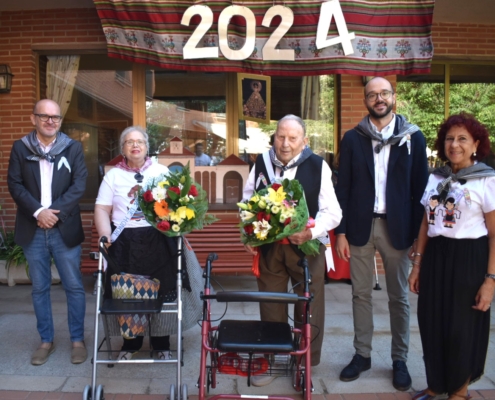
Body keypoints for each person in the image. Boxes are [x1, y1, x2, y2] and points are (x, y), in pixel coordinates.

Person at [334, 77, 428, 390]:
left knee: (398, 297)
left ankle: (399, 359)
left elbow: (420, 191)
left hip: (397, 227)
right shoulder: (352, 139)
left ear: (393, 97)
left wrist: (417, 235)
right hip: (361, 226)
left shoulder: (414, 138)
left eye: (384, 93)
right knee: (360, 293)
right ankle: (362, 355)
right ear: (365, 100)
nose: (379, 99)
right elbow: (342, 189)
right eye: (373, 94)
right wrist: (341, 232)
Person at [243, 114, 342, 386]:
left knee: (308, 306)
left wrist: (310, 231)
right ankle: (271, 359)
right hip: (270, 249)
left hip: (307, 248)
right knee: (271, 303)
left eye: (292, 138)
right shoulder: (261, 162)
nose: (285, 143)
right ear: (274, 137)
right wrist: (249, 232)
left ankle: (306, 363)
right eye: (280, 136)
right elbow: (247, 200)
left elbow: (333, 212)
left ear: (304, 141)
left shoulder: (318, 165)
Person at [408, 113, 495, 400]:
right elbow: (425, 223)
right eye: (449, 138)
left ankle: (459, 391)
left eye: (462, 139)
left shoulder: (486, 180)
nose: (454, 145)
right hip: (436, 256)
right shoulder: (436, 177)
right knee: (432, 322)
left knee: (462, 328)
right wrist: (417, 265)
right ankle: (435, 386)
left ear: (475, 145)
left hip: (470, 258)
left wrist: (490, 280)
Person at [7, 99, 88, 366]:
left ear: (60, 121)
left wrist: (52, 213)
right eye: (44, 116)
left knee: (74, 287)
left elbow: (79, 185)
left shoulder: (73, 147)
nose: (50, 121)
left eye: (55, 117)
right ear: (34, 119)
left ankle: (77, 340)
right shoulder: (20, 148)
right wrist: (38, 212)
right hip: (33, 228)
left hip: (63, 226)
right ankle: (46, 340)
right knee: (39, 288)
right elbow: (15, 184)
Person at [94, 126, 178, 360]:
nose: (135, 145)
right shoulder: (113, 175)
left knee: (163, 290)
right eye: (129, 142)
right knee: (127, 293)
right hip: (124, 243)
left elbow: (177, 204)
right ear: (123, 149)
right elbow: (102, 208)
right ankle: (130, 345)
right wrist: (104, 233)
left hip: (157, 240)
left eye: (139, 141)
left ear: (147, 147)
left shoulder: (161, 171)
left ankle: (161, 344)